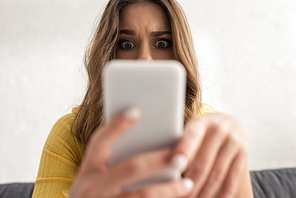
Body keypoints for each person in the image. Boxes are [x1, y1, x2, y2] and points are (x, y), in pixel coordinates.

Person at [32, 0, 254, 197]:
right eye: (127, 44)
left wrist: (238, 163)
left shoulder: (210, 132)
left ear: (180, 53)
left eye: (162, 44)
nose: (144, 60)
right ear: (108, 55)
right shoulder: (70, 134)